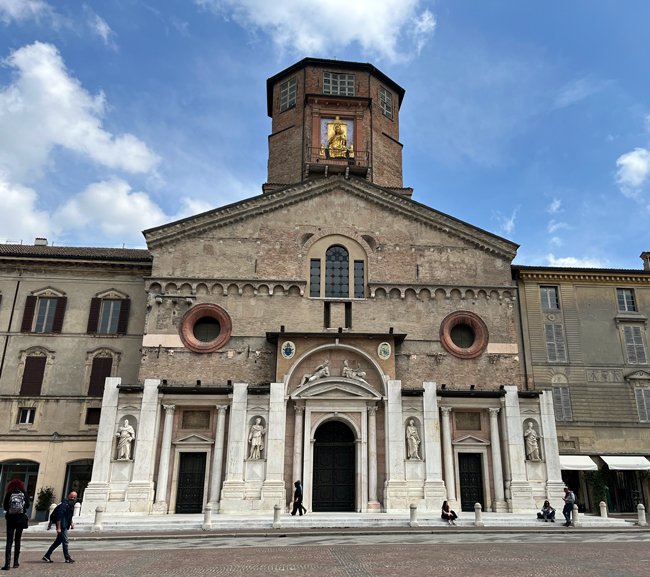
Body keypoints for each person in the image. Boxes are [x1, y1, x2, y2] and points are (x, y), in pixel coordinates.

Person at [42, 491, 77, 563]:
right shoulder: (64, 504)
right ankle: (67, 558)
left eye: (74, 497)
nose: (73, 498)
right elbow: (59, 516)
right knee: (65, 541)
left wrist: (71, 523)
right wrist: (58, 528)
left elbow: (69, 515)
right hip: (62, 525)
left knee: (58, 542)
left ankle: (47, 555)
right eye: (72, 496)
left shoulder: (69, 505)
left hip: (65, 525)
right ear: (68, 496)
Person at [3, 479, 29, 570]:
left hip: (10, 519)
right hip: (21, 519)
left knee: (9, 541)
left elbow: (5, 506)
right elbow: (28, 506)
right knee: (18, 540)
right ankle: (16, 562)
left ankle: (7, 564)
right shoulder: (24, 493)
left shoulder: (9, 493)